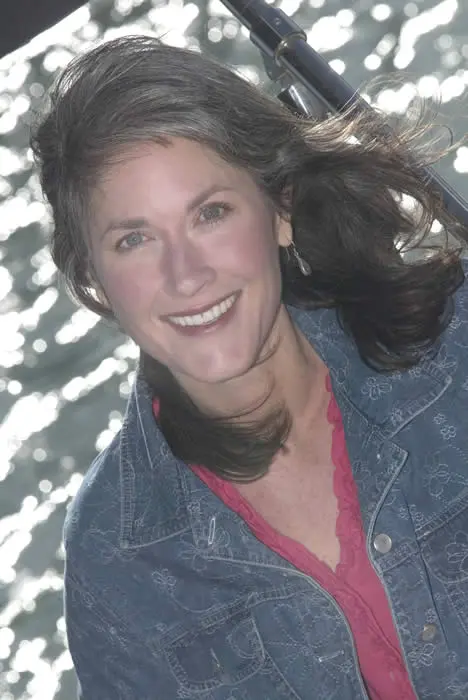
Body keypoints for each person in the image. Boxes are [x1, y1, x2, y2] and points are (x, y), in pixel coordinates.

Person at [30, 34, 468, 700]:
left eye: (211, 213)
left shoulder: (455, 348)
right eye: (135, 239)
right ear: (93, 279)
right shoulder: (116, 561)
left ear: (281, 211)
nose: (187, 276)